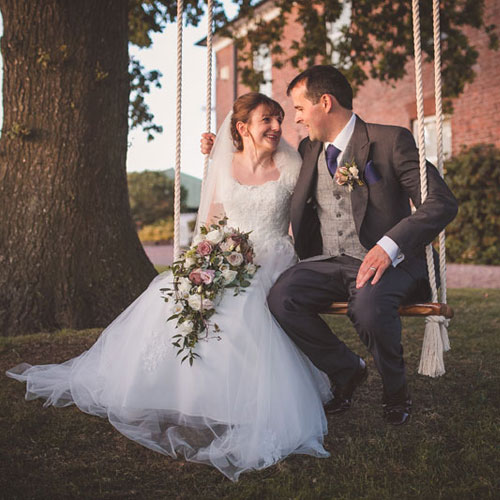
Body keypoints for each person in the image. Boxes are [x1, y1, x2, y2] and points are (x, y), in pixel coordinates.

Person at [6, 93, 332, 481]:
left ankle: (238, 402)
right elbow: (212, 220)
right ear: (242, 128)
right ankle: (175, 391)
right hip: (226, 252)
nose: (277, 127)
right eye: (268, 120)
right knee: (170, 298)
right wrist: (200, 260)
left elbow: (313, 203)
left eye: (280, 119)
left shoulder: (291, 162)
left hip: (271, 257)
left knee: (245, 309)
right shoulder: (223, 162)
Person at [202, 66, 458, 426]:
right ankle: (347, 368)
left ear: (325, 103)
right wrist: (223, 148)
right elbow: (262, 156)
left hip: (392, 262)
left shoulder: (391, 140)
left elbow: (441, 203)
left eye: (299, 109)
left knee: (369, 305)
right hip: (328, 260)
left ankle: (396, 392)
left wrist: (389, 245)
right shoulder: (307, 150)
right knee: (280, 299)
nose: (296, 118)